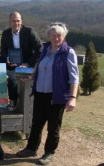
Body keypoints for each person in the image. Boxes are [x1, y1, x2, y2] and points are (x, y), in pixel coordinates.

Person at [16, 22, 79, 165]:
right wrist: (30, 76)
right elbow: (41, 68)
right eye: (53, 35)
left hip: (56, 96)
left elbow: (74, 77)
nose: (56, 38)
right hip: (40, 93)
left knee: (53, 126)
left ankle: (49, 153)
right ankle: (31, 149)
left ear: (64, 36)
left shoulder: (68, 52)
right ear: (49, 36)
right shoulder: (45, 49)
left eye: (59, 36)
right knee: (36, 123)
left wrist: (72, 98)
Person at [0, 11, 42, 111]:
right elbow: (2, 51)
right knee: (4, 77)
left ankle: (16, 103)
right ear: (9, 22)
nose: (16, 23)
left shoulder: (30, 32)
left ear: (21, 21)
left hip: (28, 65)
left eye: (18, 21)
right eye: (13, 21)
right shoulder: (6, 34)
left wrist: (28, 64)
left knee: (15, 78)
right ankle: (6, 101)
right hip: (13, 64)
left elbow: (40, 49)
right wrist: (8, 59)